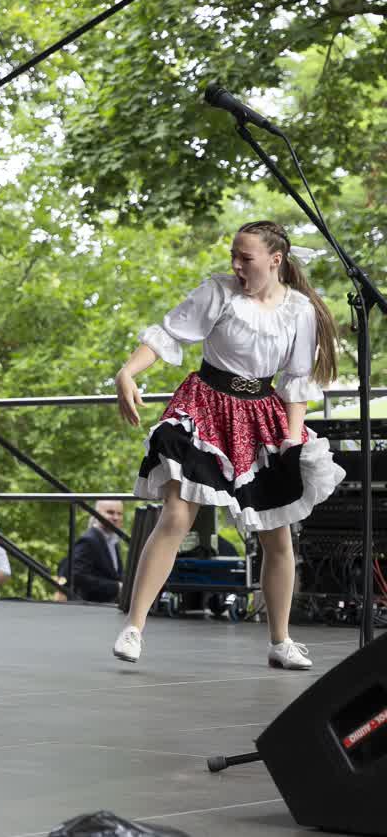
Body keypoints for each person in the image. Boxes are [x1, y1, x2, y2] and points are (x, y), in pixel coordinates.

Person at [113, 221, 344, 668]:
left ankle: (280, 641)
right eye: (234, 256)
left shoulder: (299, 310)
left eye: (246, 258)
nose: (236, 265)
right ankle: (134, 627)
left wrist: (291, 440)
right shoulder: (219, 292)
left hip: (261, 417)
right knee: (177, 514)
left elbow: (297, 382)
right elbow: (167, 334)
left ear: (275, 260)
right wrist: (128, 371)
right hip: (205, 406)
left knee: (277, 532)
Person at [68, 500, 127, 604]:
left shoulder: (113, 541)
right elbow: (78, 576)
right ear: (96, 514)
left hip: (108, 606)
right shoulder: (89, 540)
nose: (116, 518)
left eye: (119, 514)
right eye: (110, 512)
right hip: (91, 606)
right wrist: (116, 587)